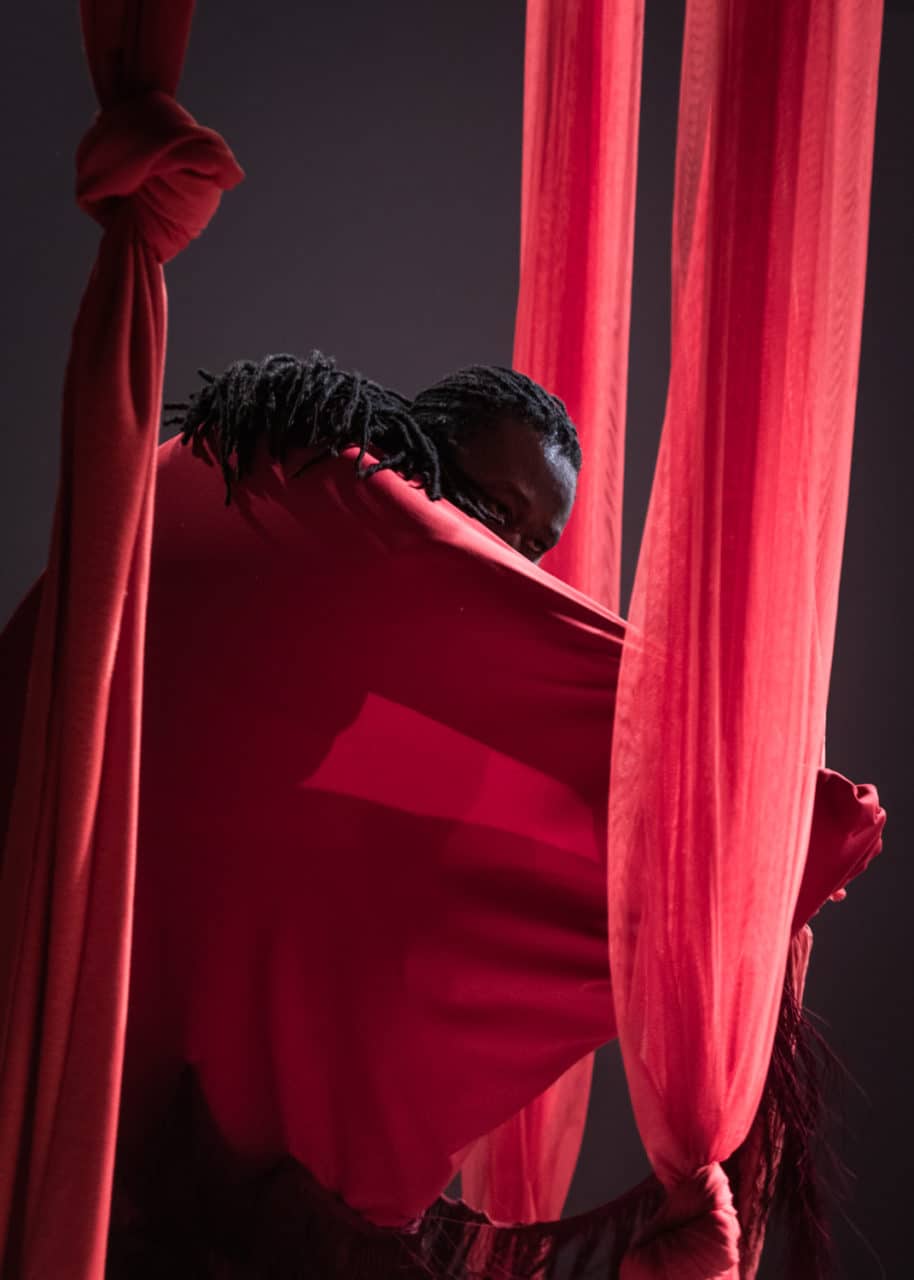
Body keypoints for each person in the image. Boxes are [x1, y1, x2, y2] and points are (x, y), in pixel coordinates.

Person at [0, 350, 884, 1279]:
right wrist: (786, 823)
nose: (502, 556)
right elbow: (781, 806)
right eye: (492, 508)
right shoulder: (349, 520)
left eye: (531, 548)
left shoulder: (245, 492)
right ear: (410, 440)